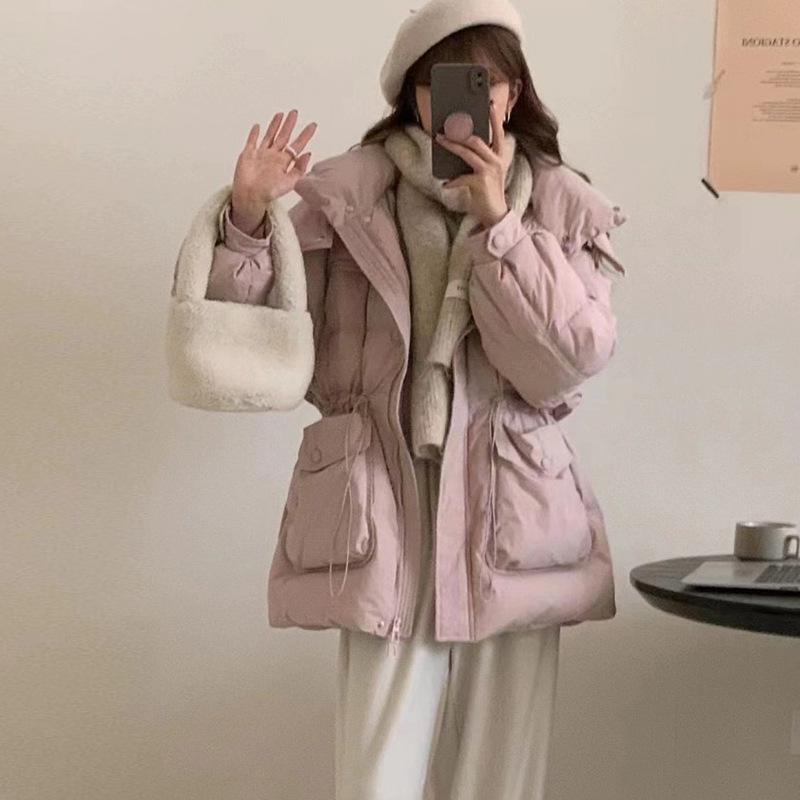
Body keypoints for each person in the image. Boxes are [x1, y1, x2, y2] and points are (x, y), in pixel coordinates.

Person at [167, 1, 629, 797]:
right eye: (441, 84)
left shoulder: (561, 205)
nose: (466, 102)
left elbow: (564, 364)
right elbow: (265, 338)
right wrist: (247, 220)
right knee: (376, 777)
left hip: (511, 510)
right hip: (384, 504)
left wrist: (500, 227)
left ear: (513, 94)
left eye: (486, 83)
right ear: (413, 97)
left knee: (500, 782)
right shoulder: (348, 198)